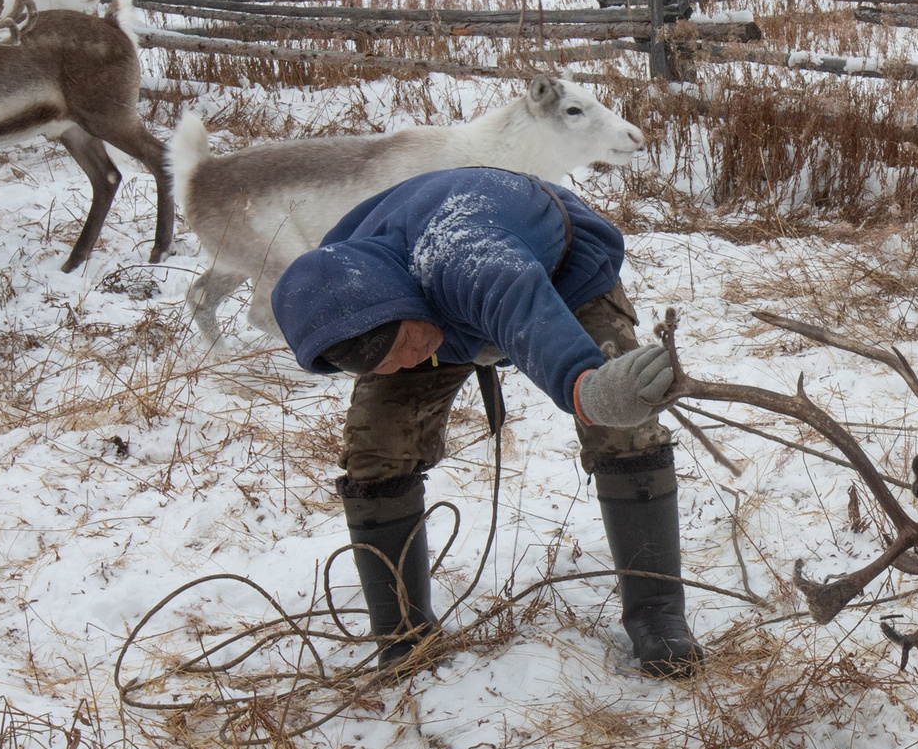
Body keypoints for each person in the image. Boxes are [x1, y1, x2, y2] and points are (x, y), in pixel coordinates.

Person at [270, 166, 699, 676]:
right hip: (427, 308)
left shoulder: (467, 256)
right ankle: (402, 631)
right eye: (388, 362)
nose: (406, 361)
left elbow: (524, 312)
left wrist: (591, 390)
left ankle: (658, 615)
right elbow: (388, 347)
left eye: (402, 345)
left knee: (624, 424)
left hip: (560, 279)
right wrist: (397, 351)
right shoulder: (343, 281)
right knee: (376, 446)